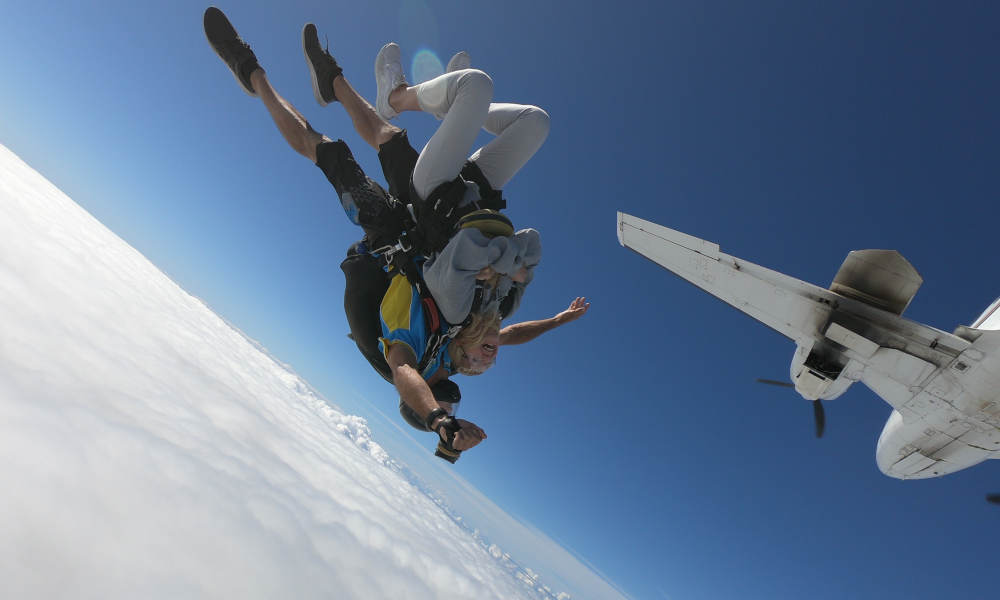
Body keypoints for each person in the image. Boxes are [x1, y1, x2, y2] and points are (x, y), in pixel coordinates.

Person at [203, 7, 589, 461]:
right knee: (388, 136)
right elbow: (511, 333)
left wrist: (437, 421)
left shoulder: (412, 359)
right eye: (454, 402)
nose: (450, 397)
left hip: (392, 239)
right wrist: (558, 321)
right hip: (433, 227)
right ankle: (334, 84)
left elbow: (406, 374)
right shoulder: (462, 350)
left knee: (325, 149)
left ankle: (252, 74)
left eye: (440, 401)